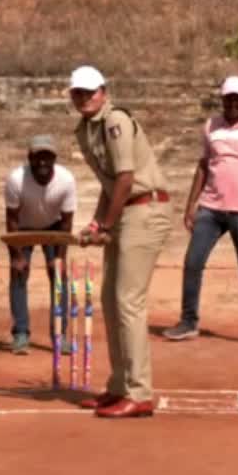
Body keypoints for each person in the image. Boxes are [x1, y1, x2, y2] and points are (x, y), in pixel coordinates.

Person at [68, 66, 172, 418]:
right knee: (110, 300)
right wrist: (98, 222)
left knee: (128, 301)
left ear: (103, 91)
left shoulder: (115, 121)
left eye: (89, 92)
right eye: (77, 93)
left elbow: (126, 179)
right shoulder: (85, 130)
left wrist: (106, 224)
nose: (83, 98)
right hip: (124, 212)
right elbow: (110, 184)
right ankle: (118, 386)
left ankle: (139, 392)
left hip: (145, 210)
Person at [163, 76, 238, 346]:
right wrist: (190, 205)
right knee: (193, 262)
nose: (233, 104)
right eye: (229, 99)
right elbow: (203, 165)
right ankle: (188, 321)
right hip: (211, 207)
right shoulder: (211, 126)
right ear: (223, 99)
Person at [5, 135, 76, 355]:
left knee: (58, 277)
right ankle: (21, 334)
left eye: (47, 157)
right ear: (30, 158)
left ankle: (59, 335)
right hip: (23, 227)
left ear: (54, 158)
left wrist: (60, 258)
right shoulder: (16, 179)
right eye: (38, 157)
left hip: (54, 227)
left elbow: (66, 223)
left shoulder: (66, 180)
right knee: (18, 274)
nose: (42, 162)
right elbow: (12, 219)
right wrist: (17, 255)